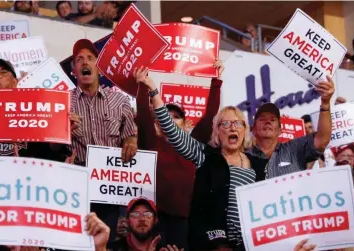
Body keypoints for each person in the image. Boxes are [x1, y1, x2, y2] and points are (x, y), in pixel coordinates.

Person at [135, 69, 315, 250]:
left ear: (245, 130)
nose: (232, 128)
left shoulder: (260, 165)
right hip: (211, 245)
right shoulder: (205, 156)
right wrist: (152, 89)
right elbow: (172, 130)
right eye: (225, 124)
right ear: (217, 131)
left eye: (237, 123)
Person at [134, 61, 224, 250]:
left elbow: (209, 117)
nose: (171, 120)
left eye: (177, 116)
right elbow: (143, 114)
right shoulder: (151, 142)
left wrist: (216, 81)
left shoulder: (192, 145)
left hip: (184, 221)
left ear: (185, 123)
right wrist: (142, 83)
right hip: (154, 219)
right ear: (158, 122)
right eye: (167, 116)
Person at [69, 38, 138, 242]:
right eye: (79, 59)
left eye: (90, 58)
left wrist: (131, 141)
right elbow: (53, 147)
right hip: (78, 184)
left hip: (110, 184)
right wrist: (65, 130)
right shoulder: (63, 102)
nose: (84, 62)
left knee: (108, 241)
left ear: (98, 67)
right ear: (74, 70)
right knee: (80, 241)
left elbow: (131, 134)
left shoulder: (120, 100)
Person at [250, 76, 334, 180]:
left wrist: (325, 103)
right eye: (262, 119)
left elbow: (322, 140)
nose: (267, 122)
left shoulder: (294, 149)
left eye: (272, 120)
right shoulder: (243, 158)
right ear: (253, 130)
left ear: (280, 130)